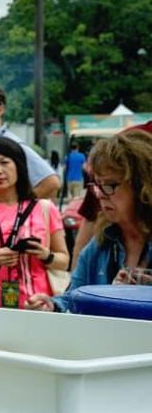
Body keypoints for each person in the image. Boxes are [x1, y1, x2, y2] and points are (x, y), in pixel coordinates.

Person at [28, 132, 152, 312]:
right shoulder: (100, 243)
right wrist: (51, 306)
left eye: (110, 185)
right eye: (97, 185)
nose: (100, 194)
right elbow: (73, 298)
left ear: (142, 186)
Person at [0, 136, 69, 309]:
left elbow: (64, 260)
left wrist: (46, 255)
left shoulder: (45, 208)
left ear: (19, 165)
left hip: (38, 306)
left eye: (4, 162)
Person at [0, 83, 60, 200]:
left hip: (1, 217)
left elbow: (51, 182)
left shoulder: (12, 145)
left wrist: (20, 209)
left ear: (0, 109)